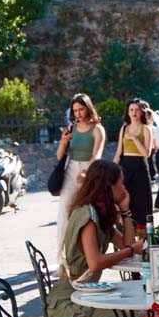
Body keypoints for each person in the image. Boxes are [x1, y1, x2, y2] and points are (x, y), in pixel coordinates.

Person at [45, 158, 139, 317]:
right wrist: (129, 251)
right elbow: (96, 262)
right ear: (108, 186)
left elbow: (126, 244)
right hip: (69, 301)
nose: (123, 189)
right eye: (120, 184)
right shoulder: (87, 216)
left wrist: (125, 210)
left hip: (85, 295)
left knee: (130, 314)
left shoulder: (100, 213)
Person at [54, 93, 106, 260]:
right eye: (75, 111)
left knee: (87, 214)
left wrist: (87, 172)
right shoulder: (72, 128)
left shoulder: (98, 129)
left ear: (88, 108)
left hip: (89, 171)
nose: (78, 114)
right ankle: (61, 258)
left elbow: (97, 154)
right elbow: (59, 155)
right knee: (64, 211)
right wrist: (63, 141)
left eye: (81, 109)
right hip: (71, 168)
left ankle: (87, 256)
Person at [114, 99, 154, 228]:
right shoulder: (124, 128)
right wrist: (112, 169)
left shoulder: (146, 129)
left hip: (140, 167)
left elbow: (146, 153)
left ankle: (144, 237)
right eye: (131, 110)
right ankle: (124, 235)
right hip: (125, 166)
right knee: (124, 201)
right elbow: (119, 151)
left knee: (142, 202)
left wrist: (135, 139)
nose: (134, 113)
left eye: (137, 110)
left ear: (142, 112)